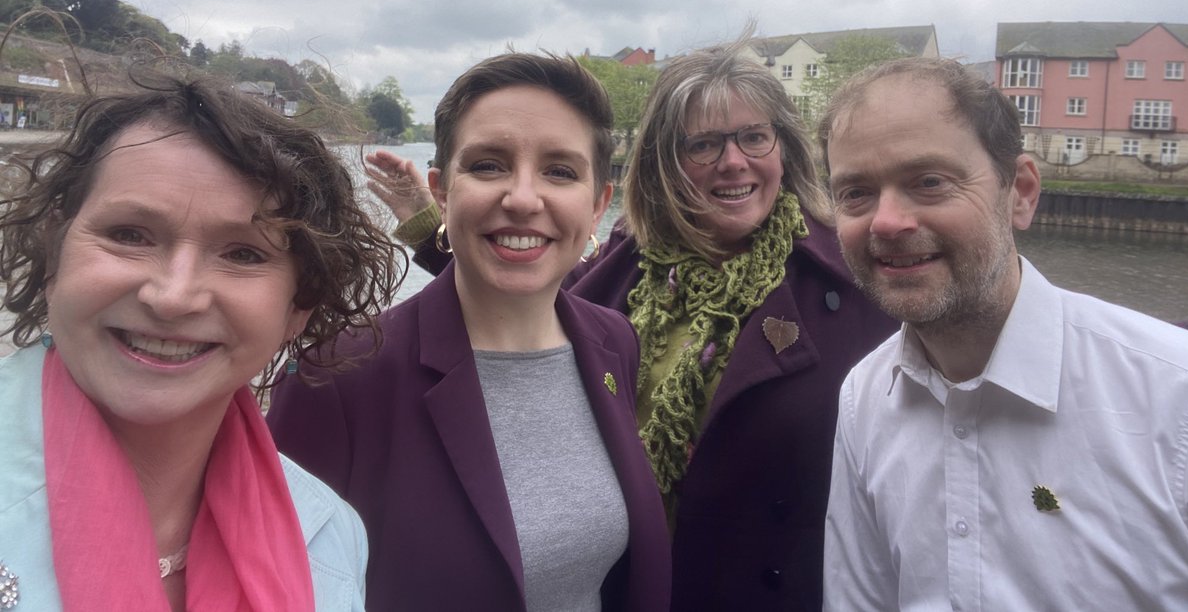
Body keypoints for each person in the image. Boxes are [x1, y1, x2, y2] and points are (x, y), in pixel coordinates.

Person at [372, 38, 897, 611]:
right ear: (665, 163)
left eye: (753, 136)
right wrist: (435, 224)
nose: (734, 161)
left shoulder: (854, 283)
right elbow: (518, 311)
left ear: (783, 148)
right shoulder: (619, 269)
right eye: (703, 144)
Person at [268, 53, 672, 611]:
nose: (524, 198)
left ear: (600, 201)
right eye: (488, 165)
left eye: (560, 171)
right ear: (440, 190)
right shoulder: (336, 375)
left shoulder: (614, 342)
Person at [0, 72, 399, 611]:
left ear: (299, 305)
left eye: (242, 254)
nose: (173, 297)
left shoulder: (332, 536)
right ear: (54, 254)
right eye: (129, 235)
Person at [818, 56, 1188, 610]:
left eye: (929, 182)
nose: (886, 221)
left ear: (1020, 192)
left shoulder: (1181, 396)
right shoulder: (864, 395)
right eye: (856, 193)